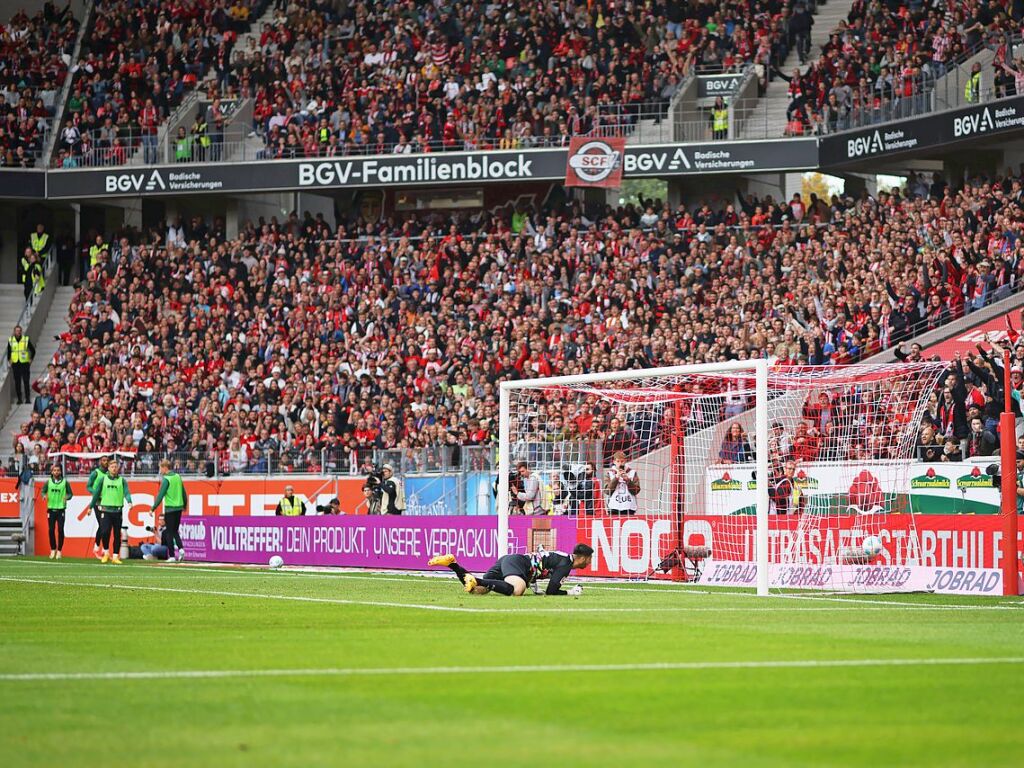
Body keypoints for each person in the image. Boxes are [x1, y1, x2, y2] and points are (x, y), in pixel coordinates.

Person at [428, 543, 594, 596]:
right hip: (518, 563)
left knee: (477, 590)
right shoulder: (566, 565)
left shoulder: (561, 557)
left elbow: (540, 567)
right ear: (584, 557)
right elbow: (551, 591)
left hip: (509, 561)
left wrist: (534, 584)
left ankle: (452, 564)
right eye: (590, 559)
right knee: (517, 590)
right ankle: (477, 579)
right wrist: (570, 592)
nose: (589, 562)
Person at [90, 459, 132, 564]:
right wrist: (90, 507)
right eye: (112, 467)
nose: (114, 469)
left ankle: (115, 556)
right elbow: (96, 494)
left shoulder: (122, 480)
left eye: (115, 467)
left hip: (117, 511)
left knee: (117, 534)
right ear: (108, 468)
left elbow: (126, 492)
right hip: (105, 510)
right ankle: (106, 552)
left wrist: (129, 501)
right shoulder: (103, 479)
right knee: (104, 532)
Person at [150, 459, 187, 562]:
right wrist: (185, 505)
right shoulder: (177, 477)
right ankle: (181, 549)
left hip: (170, 509)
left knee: (169, 532)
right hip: (179, 508)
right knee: (175, 531)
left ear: (165, 467)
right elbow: (184, 492)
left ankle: (171, 556)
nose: (160, 470)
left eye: (160, 468)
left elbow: (160, 495)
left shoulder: (166, 479)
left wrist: (153, 508)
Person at [43, 463, 71, 559]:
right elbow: (43, 491)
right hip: (51, 509)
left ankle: (59, 550)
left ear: (61, 471)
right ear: (52, 472)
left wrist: (67, 497)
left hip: (61, 509)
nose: (56, 472)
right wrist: (43, 495)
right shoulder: (48, 482)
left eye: (58, 470)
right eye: (54, 470)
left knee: (60, 530)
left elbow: (70, 494)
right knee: (51, 530)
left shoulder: (65, 482)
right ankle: (53, 549)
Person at [86, 455, 110, 558]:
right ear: (100, 462)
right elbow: (88, 486)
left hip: (107, 502)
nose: (105, 462)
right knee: (103, 525)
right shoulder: (95, 473)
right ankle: (99, 549)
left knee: (106, 527)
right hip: (97, 502)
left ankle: (100, 549)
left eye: (107, 461)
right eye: (104, 460)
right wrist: (96, 493)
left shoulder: (110, 474)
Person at [604, 450, 640, 515]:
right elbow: (607, 491)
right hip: (614, 507)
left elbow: (636, 491)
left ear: (625, 461)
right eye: (618, 461)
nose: (620, 463)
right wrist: (616, 478)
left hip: (629, 507)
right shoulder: (609, 473)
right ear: (614, 462)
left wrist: (628, 480)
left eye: (622, 461)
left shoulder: (632, 472)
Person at [7, 324, 35, 405]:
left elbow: (33, 350)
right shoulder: (11, 340)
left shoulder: (25, 339)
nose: (18, 332)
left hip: (24, 363)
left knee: (26, 381)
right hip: (15, 363)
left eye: (19, 331)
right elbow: (9, 352)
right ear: (14, 332)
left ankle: (27, 398)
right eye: (17, 331)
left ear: (21, 331)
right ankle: (19, 399)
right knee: (17, 382)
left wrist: (30, 359)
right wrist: (9, 360)